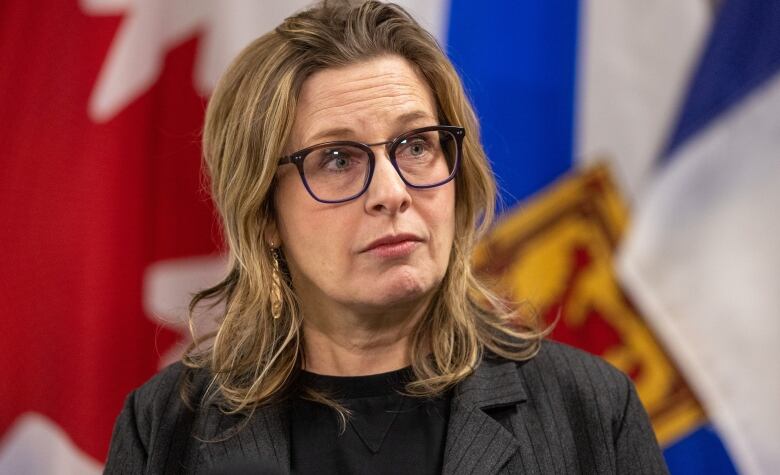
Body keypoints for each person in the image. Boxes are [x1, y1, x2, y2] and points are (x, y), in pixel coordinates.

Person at [105, 1, 669, 474]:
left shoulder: (589, 410)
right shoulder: (164, 429)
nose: (391, 192)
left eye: (416, 145)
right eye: (336, 158)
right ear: (264, 213)